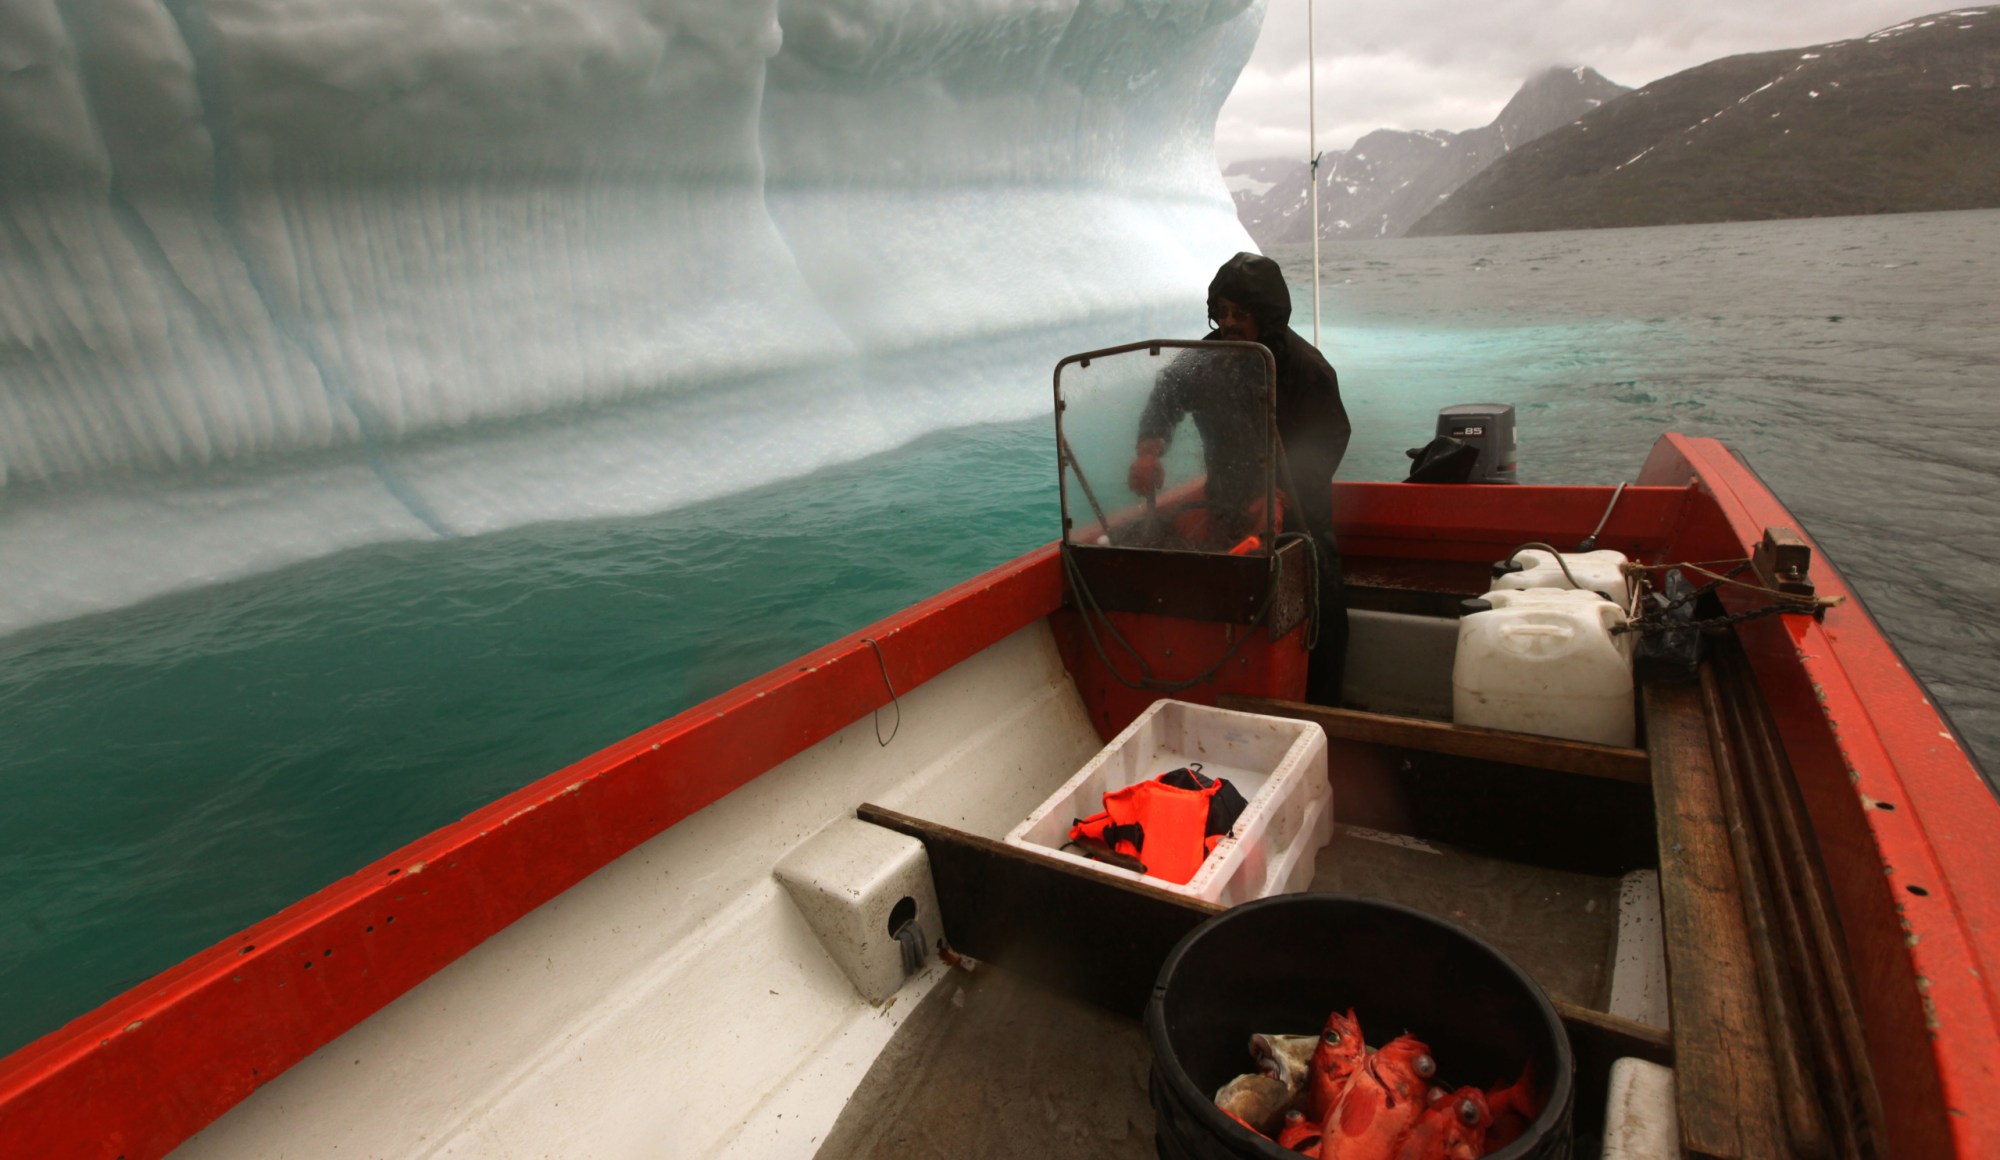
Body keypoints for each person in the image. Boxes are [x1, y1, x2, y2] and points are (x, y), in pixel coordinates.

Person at [1125, 252, 1351, 704]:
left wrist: (1281, 497)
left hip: (1297, 515)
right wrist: (1149, 450)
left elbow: (1326, 440)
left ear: (1267, 317)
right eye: (1223, 312)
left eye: (1241, 314)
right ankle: (1230, 697)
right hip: (1225, 503)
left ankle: (1320, 707)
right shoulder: (1204, 361)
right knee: (1228, 606)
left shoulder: (1307, 370)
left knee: (1315, 607)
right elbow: (1166, 396)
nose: (1229, 323)